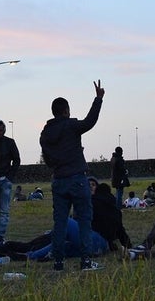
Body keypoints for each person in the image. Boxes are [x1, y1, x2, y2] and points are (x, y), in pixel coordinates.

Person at [39, 79, 105, 272]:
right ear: (66, 110)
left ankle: (58, 262)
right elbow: (90, 121)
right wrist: (98, 99)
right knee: (84, 220)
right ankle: (85, 261)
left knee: (59, 223)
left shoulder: (45, 134)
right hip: (77, 178)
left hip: (58, 180)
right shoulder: (71, 125)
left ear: (53, 111)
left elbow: (48, 159)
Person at [92, 181, 132, 250]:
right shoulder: (114, 208)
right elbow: (120, 229)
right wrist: (128, 245)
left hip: (95, 236)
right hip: (109, 238)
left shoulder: (92, 203)